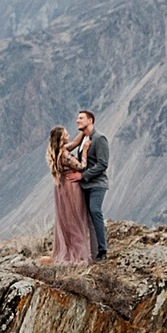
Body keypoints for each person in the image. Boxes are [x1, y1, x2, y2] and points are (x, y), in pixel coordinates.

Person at [46, 125, 92, 263]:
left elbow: (75, 142)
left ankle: (68, 248)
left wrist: (84, 132)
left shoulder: (58, 151)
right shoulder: (65, 155)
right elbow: (81, 166)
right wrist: (84, 151)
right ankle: (78, 252)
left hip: (61, 187)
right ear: (61, 139)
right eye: (66, 135)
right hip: (71, 187)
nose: (69, 136)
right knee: (75, 218)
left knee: (66, 218)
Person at [73, 109, 110, 260]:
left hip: (97, 184)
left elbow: (103, 163)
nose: (77, 120)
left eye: (81, 118)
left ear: (90, 120)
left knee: (95, 211)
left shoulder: (100, 138)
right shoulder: (83, 140)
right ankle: (92, 253)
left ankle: (102, 251)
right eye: (78, 118)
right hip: (85, 186)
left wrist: (83, 175)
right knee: (87, 218)